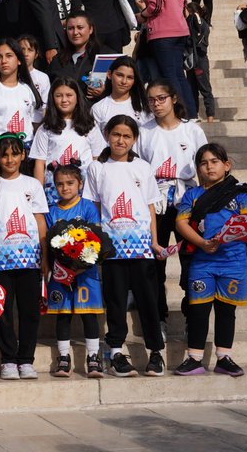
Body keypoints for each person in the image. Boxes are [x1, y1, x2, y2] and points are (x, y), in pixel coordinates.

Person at [85, 115, 165, 376]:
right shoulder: (97, 168)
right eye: (116, 134)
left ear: (134, 140)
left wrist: (154, 240)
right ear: (107, 134)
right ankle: (116, 352)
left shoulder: (142, 167)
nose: (121, 140)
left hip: (141, 247)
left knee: (148, 301)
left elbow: (151, 206)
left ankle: (155, 354)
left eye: (127, 136)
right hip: (112, 249)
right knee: (115, 301)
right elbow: (94, 207)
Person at [136, 79, 208, 333]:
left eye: (161, 98)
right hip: (154, 200)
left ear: (173, 98)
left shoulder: (192, 130)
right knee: (156, 261)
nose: (156, 104)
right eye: (151, 100)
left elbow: (205, 166)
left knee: (191, 259)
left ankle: (191, 316)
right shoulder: (143, 131)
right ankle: (159, 318)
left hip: (186, 199)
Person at [174, 144, 247, 376]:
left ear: (226, 165)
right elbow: (181, 223)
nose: (209, 166)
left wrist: (230, 234)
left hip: (233, 261)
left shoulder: (242, 194)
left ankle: (224, 357)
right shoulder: (192, 195)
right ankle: (194, 358)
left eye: (215, 161)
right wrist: (203, 243)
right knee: (198, 309)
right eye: (204, 163)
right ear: (198, 169)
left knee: (226, 310)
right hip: (202, 261)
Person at [0, 136, 47, 380]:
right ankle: (8, 359)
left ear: (23, 155)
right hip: (0, 258)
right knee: (3, 310)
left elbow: (40, 220)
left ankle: (26, 359)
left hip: (30, 259)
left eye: (14, 154)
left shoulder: (32, 185)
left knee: (29, 310)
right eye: (4, 155)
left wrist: (45, 256)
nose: (9, 159)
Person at [45, 163, 105, 377]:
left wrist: (81, 267)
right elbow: (49, 244)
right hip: (61, 273)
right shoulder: (51, 211)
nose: (65, 188)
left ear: (80, 184)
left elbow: (96, 239)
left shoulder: (88, 207)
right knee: (63, 315)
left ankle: (93, 357)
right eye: (59, 184)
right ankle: (63, 357)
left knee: (88, 315)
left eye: (70, 183)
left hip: (86, 272)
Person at [136, 0, 197, 118]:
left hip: (163, 32)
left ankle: (180, 114)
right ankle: (190, 113)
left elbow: (155, 6)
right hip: (179, 30)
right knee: (179, 74)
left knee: (170, 76)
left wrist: (141, 15)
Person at [30, 78, 104, 204]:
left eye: (69, 95)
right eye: (59, 96)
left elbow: (97, 159)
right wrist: (39, 194)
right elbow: (39, 163)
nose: (64, 100)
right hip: (54, 190)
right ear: (52, 99)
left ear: (77, 98)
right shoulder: (45, 128)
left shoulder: (90, 126)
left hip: (84, 189)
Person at [91, 56, 148, 127]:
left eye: (129, 77)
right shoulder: (98, 108)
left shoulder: (144, 106)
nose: (124, 81)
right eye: (120, 75)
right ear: (109, 74)